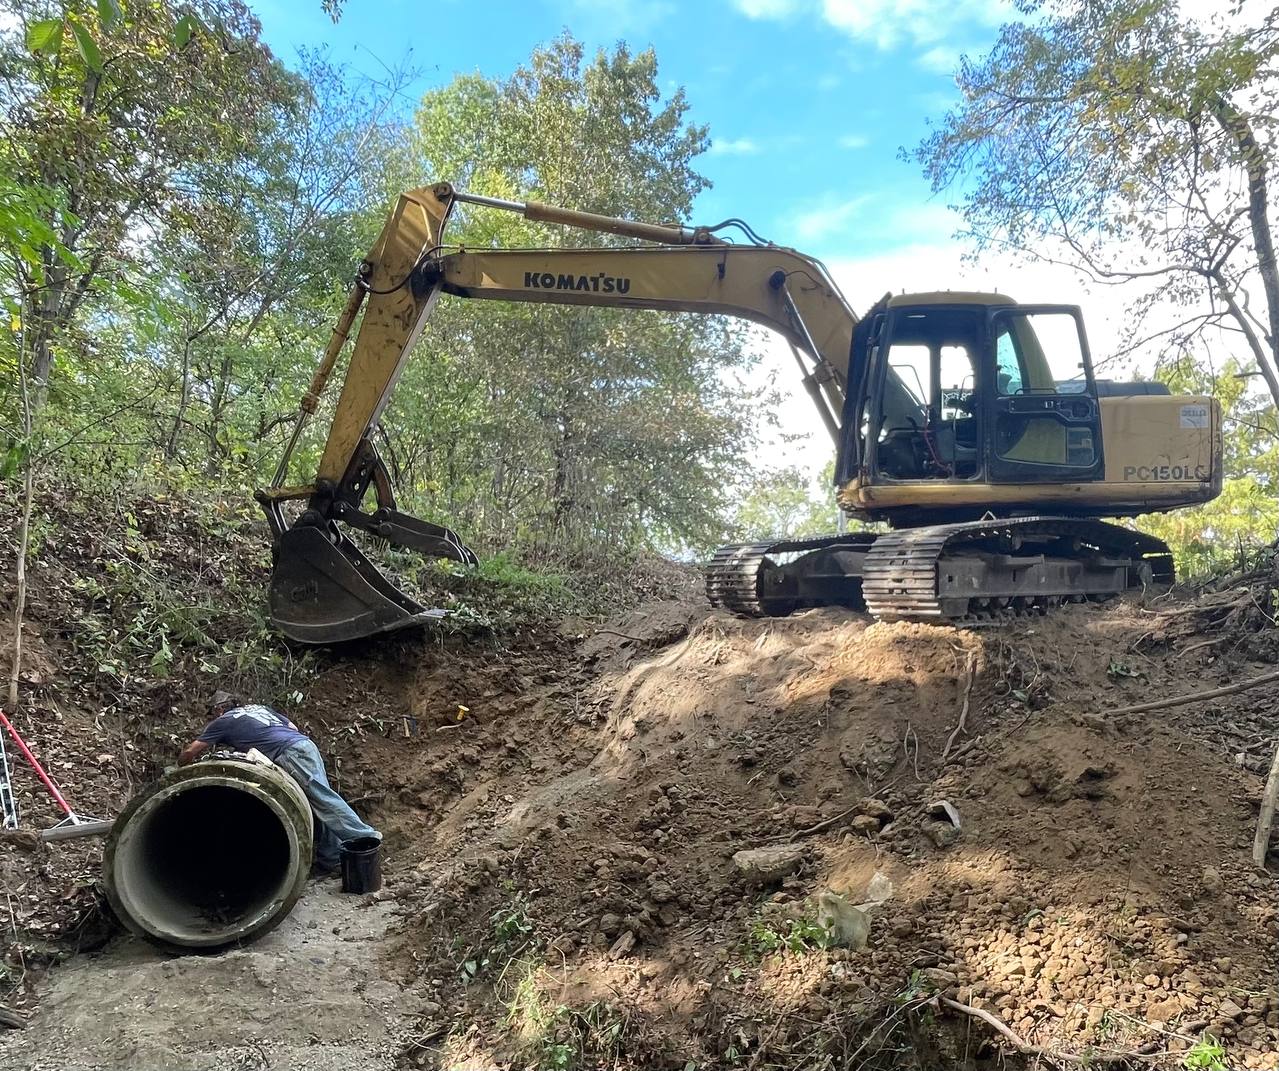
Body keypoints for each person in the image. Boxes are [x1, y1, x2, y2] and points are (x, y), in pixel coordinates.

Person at [179, 690, 380, 875]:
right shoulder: (258, 708)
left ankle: (366, 837)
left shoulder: (224, 721)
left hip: (290, 753)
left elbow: (191, 751)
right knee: (320, 800)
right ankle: (331, 858)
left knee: (323, 800)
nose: (213, 716)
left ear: (220, 709)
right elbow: (293, 727)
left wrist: (180, 768)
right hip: (304, 745)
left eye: (213, 712)